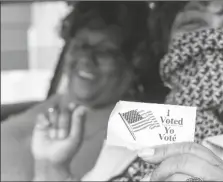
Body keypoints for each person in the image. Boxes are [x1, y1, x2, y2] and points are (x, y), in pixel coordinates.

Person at [31, 1, 223, 181]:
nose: (212, 38)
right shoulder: (140, 123)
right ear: (168, 44)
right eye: (192, 25)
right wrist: (51, 167)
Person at [0, 2, 150, 181]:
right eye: (81, 45)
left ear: (134, 61)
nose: (86, 59)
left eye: (104, 52)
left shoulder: (141, 129)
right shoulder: (38, 114)